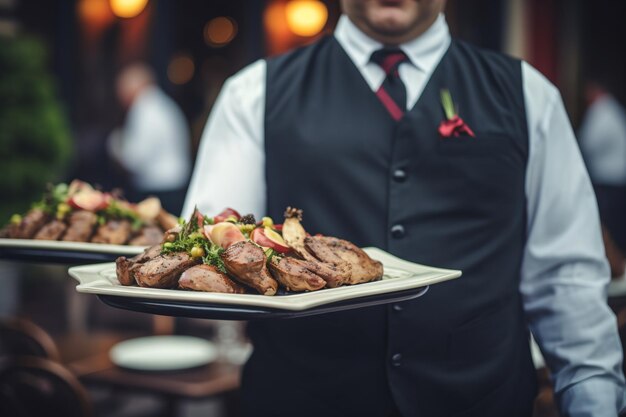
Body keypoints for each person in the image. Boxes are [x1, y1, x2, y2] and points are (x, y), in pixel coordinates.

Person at [183, 1, 626, 416]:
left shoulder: (528, 94)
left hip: (482, 398)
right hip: (304, 397)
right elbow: (212, 251)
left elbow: (566, 279)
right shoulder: (253, 92)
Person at [108, 63, 191, 214]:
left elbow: (135, 158)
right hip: (174, 185)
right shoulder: (162, 103)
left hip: (157, 189)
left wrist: (115, 145)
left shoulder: (143, 108)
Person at [578, 81, 626, 278]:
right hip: (615, 180)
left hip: (608, 180)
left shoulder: (601, 111)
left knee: (604, 227)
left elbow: (587, 143)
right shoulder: (612, 109)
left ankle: (611, 266)